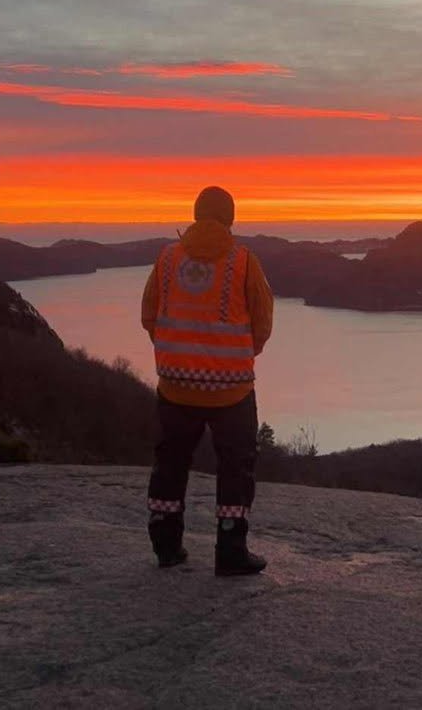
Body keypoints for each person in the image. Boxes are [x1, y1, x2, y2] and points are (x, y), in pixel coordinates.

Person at [141, 186, 274, 576]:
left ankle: (166, 545)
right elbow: (262, 321)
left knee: (170, 462)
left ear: (195, 215)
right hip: (231, 388)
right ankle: (230, 550)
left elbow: (149, 314)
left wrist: (176, 355)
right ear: (230, 218)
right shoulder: (244, 261)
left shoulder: (166, 259)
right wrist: (236, 355)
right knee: (236, 467)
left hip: (175, 385)